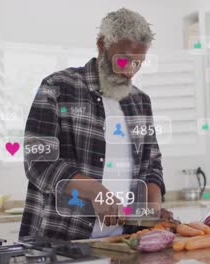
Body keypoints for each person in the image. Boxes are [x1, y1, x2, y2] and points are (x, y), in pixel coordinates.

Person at [20, 8, 172, 240]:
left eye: (138, 64)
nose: (130, 72)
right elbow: (37, 162)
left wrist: (153, 204)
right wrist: (95, 191)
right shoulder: (58, 87)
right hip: (61, 240)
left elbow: (152, 165)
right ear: (102, 45)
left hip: (123, 242)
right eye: (124, 60)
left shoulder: (141, 102)